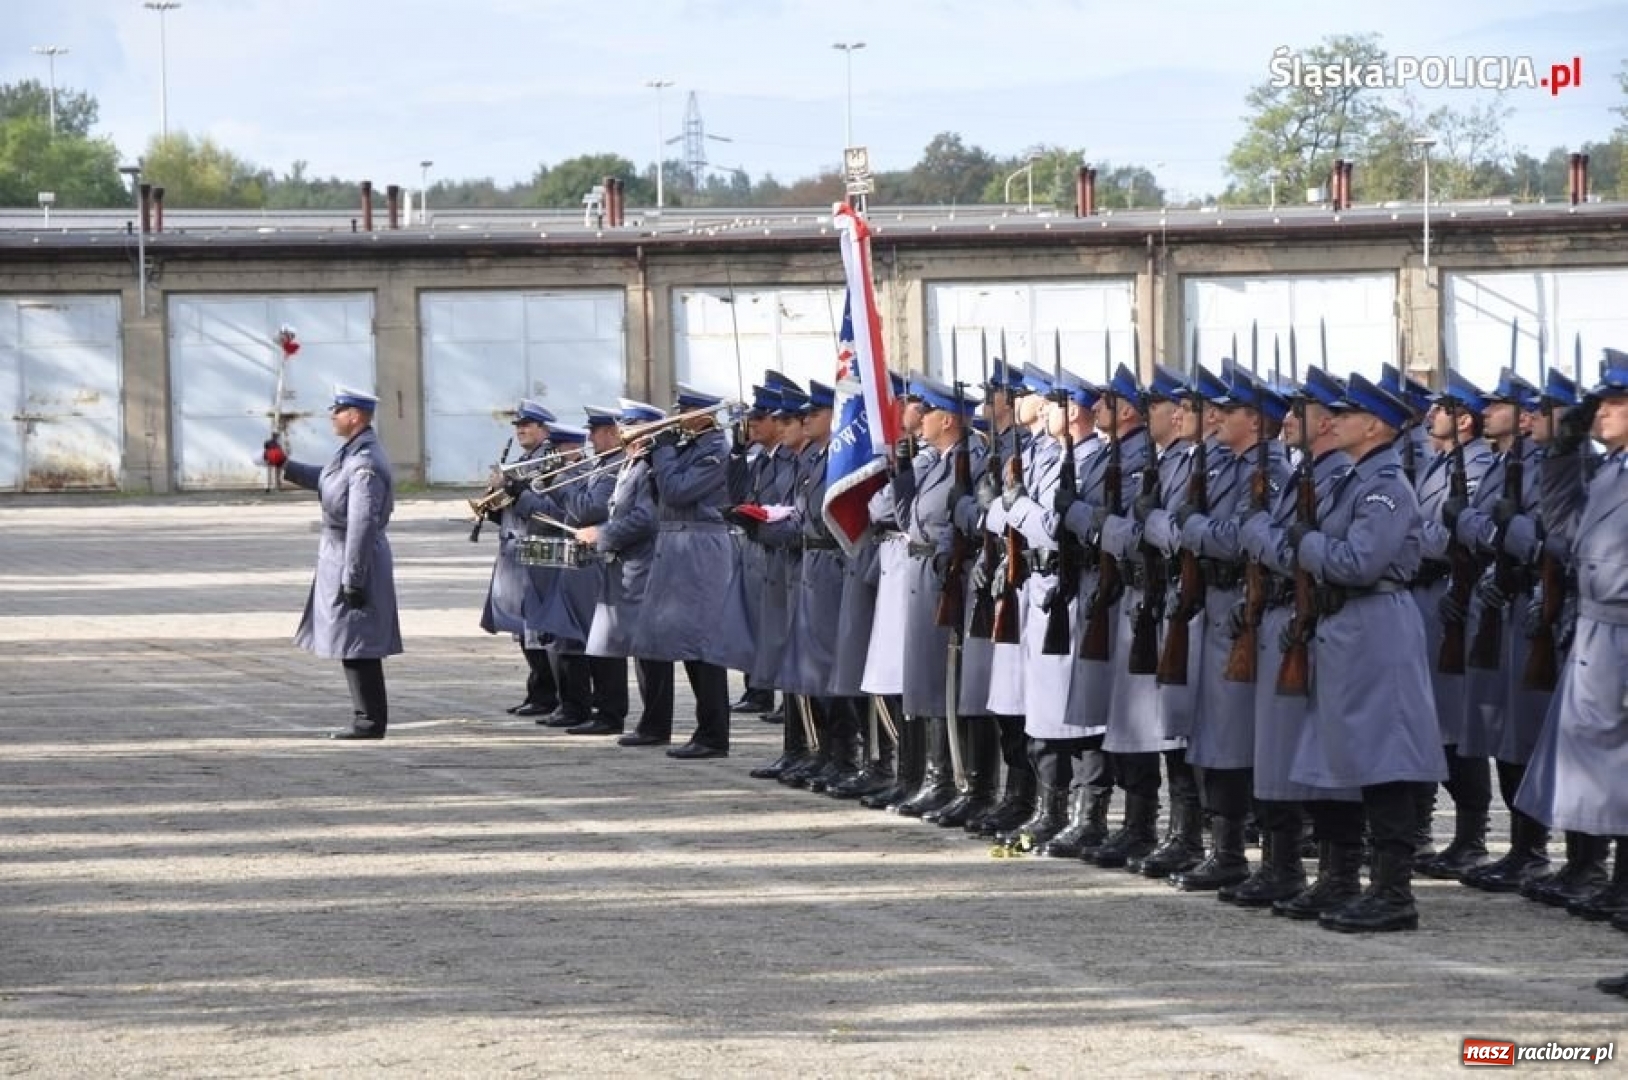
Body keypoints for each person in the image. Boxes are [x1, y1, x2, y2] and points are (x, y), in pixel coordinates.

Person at [1508, 353, 1628, 996]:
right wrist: (1562, 452)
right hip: (1601, 638)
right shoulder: (1611, 470)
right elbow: (1565, 529)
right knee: (1610, 789)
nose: (1600, 413)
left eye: (1613, 403)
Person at [283, 386, 403, 740]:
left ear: (356, 416)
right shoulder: (353, 451)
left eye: (337, 410)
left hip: (356, 558)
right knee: (353, 641)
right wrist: (284, 464)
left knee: (359, 642)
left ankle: (369, 722)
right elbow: (329, 479)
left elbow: (361, 523)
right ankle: (366, 718)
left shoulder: (365, 462)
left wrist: (354, 577)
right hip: (342, 555)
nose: (331, 416)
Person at [479, 399, 561, 720]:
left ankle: (547, 694)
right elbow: (510, 512)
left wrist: (512, 489)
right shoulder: (522, 461)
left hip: (534, 548)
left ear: (544, 429)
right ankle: (538, 691)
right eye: (518, 426)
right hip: (514, 549)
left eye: (527, 425)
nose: (520, 430)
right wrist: (492, 505)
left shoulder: (549, 462)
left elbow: (543, 510)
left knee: (536, 630)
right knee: (521, 628)